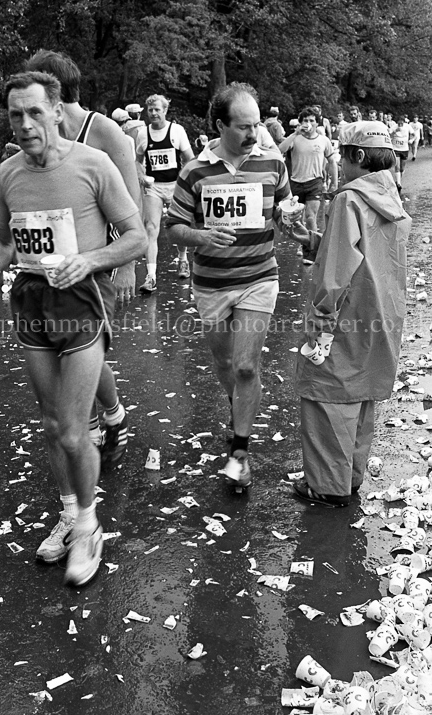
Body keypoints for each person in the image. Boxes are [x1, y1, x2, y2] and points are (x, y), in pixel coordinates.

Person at [0, 71, 146, 586]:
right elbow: (4, 239)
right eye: (14, 115)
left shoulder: (93, 165)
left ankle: (90, 525)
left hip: (82, 300)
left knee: (73, 429)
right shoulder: (7, 173)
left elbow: (135, 236)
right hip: (30, 299)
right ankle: (70, 512)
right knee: (51, 424)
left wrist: (90, 260)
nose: (25, 124)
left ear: (56, 112)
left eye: (34, 113)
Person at [166, 82, 293, 489]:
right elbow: (174, 228)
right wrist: (200, 237)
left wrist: (296, 226)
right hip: (212, 284)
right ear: (221, 125)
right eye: (243, 127)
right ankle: (237, 405)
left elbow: (286, 212)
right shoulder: (195, 171)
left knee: (245, 365)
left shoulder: (273, 164)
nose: (254, 134)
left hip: (259, 277)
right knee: (224, 366)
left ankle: (240, 450)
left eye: (256, 125)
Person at [24, 49, 142, 463]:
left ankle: (105, 418)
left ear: (54, 92)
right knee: (66, 352)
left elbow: (133, 200)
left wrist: (126, 263)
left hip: (96, 266)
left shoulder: (105, 132)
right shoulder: (36, 136)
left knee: (82, 349)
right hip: (47, 269)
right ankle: (105, 418)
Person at [289, 122, 411, 507]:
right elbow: (365, 252)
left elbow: (335, 271)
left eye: (341, 155)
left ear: (358, 157)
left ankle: (327, 486)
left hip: (348, 313)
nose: (338, 164)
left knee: (328, 395)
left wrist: (319, 319)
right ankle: (350, 476)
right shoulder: (390, 196)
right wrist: (311, 240)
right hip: (383, 313)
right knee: (361, 396)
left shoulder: (349, 199)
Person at [136, 94, 194, 291]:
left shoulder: (176, 131)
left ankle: (183, 259)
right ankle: (151, 277)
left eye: (157, 110)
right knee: (151, 228)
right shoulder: (143, 134)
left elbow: (190, 159)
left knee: (180, 225)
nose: (153, 113)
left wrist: (184, 182)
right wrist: (141, 175)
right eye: (150, 110)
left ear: (165, 111)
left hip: (176, 185)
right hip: (154, 188)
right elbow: (137, 161)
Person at [278, 106, 338, 264]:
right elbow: (279, 151)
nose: (308, 123)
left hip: (315, 182)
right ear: (300, 122)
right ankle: (304, 243)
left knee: (311, 216)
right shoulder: (296, 139)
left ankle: (312, 250)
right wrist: (294, 134)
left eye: (312, 120)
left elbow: (332, 161)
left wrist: (334, 182)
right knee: (297, 219)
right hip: (296, 182)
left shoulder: (323, 140)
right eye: (305, 120)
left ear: (317, 123)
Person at [389, 115, 413, 191]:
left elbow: (414, 134)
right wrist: (395, 131)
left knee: (402, 169)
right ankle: (399, 183)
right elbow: (389, 135)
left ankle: (399, 180)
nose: (400, 125)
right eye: (398, 123)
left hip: (405, 149)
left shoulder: (408, 126)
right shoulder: (394, 127)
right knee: (397, 166)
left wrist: (411, 140)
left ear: (404, 122)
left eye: (401, 123)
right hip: (396, 149)